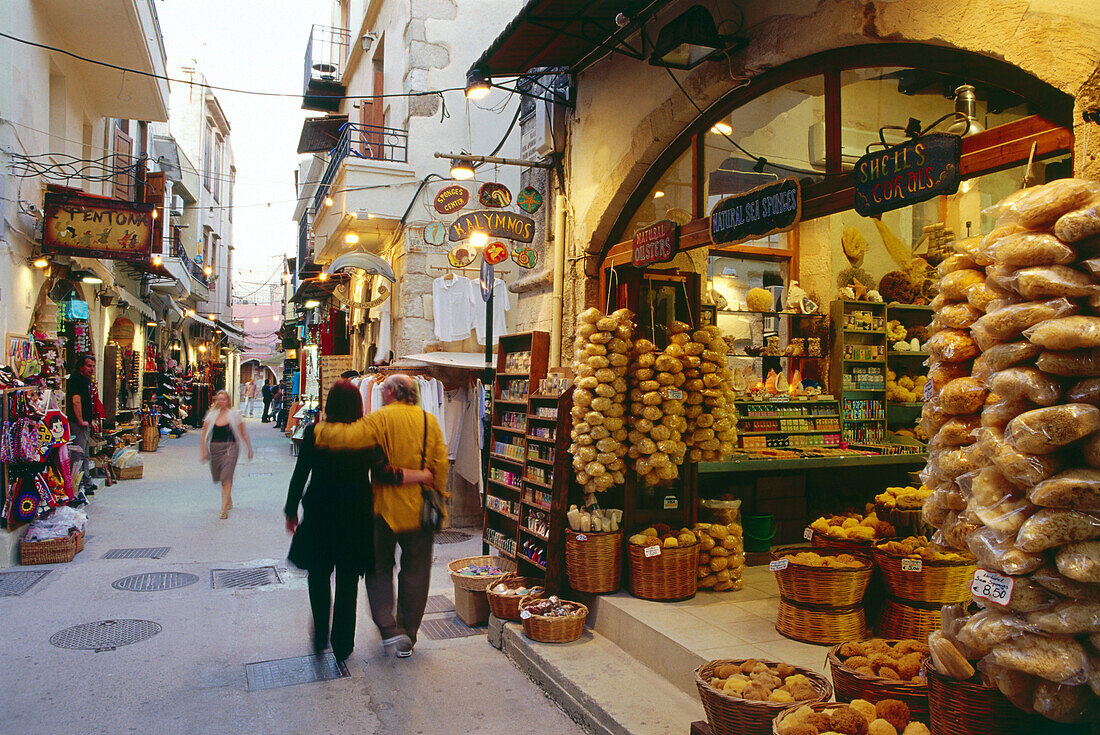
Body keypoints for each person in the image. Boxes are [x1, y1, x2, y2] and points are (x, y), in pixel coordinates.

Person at [283, 380, 431, 662]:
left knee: (318, 575)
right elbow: (383, 472)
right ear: (358, 406)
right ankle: (342, 644)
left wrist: (291, 511)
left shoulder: (316, 432)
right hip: (355, 517)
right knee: (348, 581)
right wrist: (418, 475)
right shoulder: (367, 435)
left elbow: (300, 474)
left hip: (320, 515)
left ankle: (320, 638)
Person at [314, 374, 447, 659]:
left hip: (383, 510)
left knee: (379, 569)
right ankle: (407, 636)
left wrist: (320, 432)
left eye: (384, 390)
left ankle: (388, 627)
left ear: (389, 393)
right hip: (419, 511)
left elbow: (349, 438)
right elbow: (440, 465)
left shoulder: (378, 420)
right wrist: (439, 499)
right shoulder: (429, 421)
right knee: (416, 572)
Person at [200, 389, 254, 519]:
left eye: (223, 399)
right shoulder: (211, 415)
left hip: (231, 448)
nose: (221, 401)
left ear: (228, 400)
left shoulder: (235, 414)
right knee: (218, 477)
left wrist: (249, 448)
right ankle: (228, 498)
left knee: (226, 476)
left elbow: (243, 433)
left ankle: (223, 508)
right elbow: (204, 434)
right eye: (219, 399)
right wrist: (204, 450)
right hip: (215, 448)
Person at [66, 354, 99, 497]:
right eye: (88, 366)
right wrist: (80, 420)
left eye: (93, 366)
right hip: (77, 423)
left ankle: (85, 482)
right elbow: (76, 402)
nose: (92, 369)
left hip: (84, 422)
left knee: (84, 453)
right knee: (78, 455)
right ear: (81, 366)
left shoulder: (84, 380)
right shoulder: (77, 380)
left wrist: (89, 419)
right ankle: (77, 486)